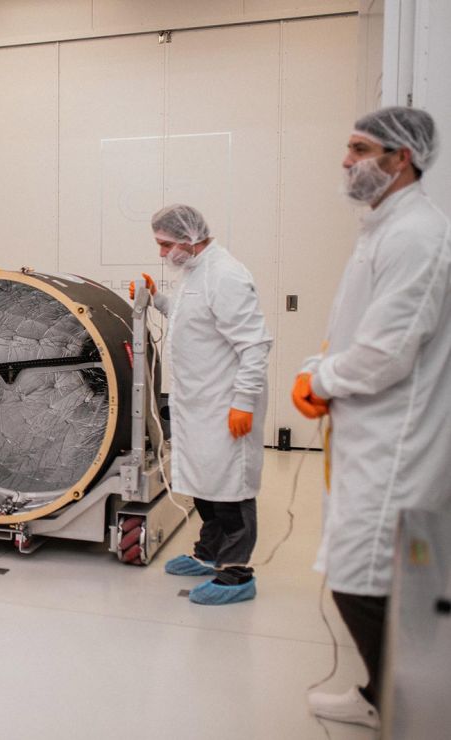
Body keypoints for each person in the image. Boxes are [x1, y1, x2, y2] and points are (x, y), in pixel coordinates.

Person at [291, 106, 449, 730]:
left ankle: (403, 707)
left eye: (359, 148)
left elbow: (386, 350)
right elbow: (356, 328)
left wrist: (321, 380)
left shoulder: (418, 235)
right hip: (369, 434)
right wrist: (317, 367)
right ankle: (384, 695)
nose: (346, 161)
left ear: (400, 158)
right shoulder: (384, 229)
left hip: (396, 444)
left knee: (362, 578)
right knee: (360, 571)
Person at [130, 204, 272, 605]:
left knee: (231, 487)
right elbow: (191, 317)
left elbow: (254, 344)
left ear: (189, 239)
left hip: (226, 403)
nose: (161, 254)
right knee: (205, 483)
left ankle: (236, 573)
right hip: (198, 402)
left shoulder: (225, 275)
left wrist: (243, 402)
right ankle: (209, 554)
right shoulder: (197, 273)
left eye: (165, 244)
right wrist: (157, 299)